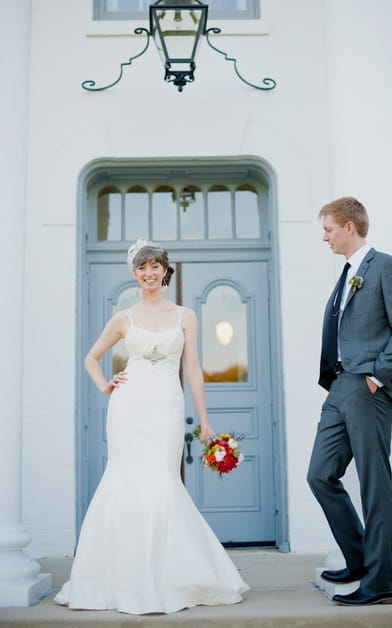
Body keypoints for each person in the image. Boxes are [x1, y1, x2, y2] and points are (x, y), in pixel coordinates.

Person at [55, 238, 249, 615]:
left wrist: (204, 419)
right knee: (124, 481)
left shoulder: (185, 316)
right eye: (142, 267)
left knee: (162, 483)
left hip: (167, 407)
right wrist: (105, 384)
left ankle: (169, 576)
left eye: (155, 266)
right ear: (134, 273)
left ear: (165, 270)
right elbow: (91, 358)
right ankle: (122, 578)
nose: (149, 273)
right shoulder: (123, 318)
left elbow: (192, 369)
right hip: (129, 408)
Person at [307, 197, 392, 606]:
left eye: (328, 229)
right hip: (339, 387)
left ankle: (380, 584)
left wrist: (377, 375)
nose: (325, 237)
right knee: (319, 474)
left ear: (349, 227)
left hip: (368, 385)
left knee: (374, 485)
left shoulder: (385, 266)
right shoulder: (347, 273)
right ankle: (359, 559)